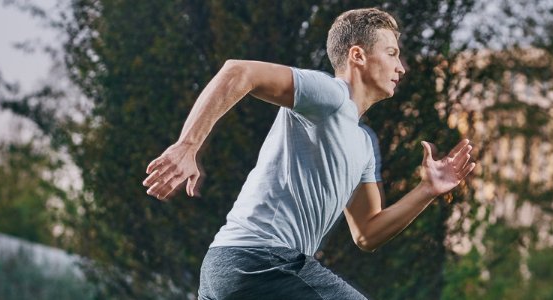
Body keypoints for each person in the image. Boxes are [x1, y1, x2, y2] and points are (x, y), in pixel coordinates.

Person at [141, 7, 476, 299]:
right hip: (261, 261)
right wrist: (188, 145)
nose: (401, 67)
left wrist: (427, 190)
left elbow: (367, 232)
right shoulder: (331, 94)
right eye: (391, 53)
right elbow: (237, 71)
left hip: (228, 267)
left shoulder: (363, 145)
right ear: (357, 55)